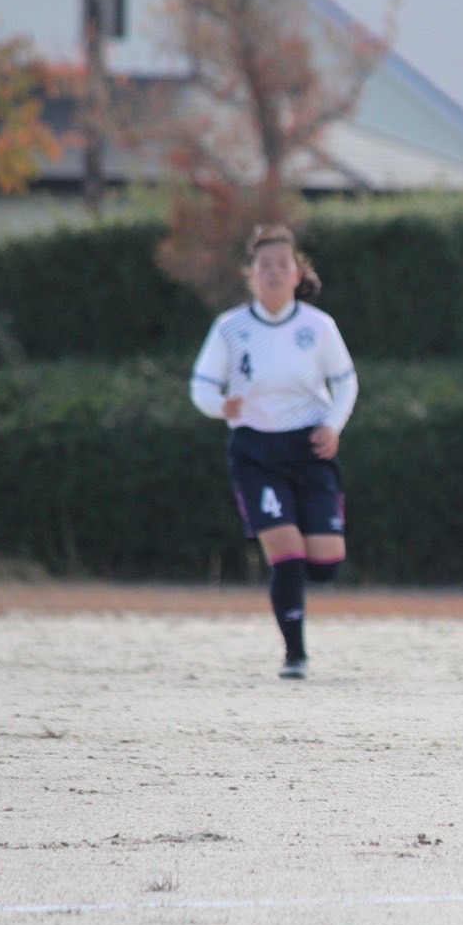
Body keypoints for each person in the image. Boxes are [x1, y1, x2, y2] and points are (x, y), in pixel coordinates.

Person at [190, 224, 358, 681]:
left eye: (282, 264)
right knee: (286, 551)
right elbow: (202, 384)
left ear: (297, 273)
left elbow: (345, 381)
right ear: (251, 274)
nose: (274, 272)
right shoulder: (231, 328)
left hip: (309, 445)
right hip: (256, 450)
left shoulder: (318, 327)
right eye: (264, 265)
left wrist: (332, 425)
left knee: (325, 564)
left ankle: (306, 578)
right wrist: (218, 405)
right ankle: (295, 656)